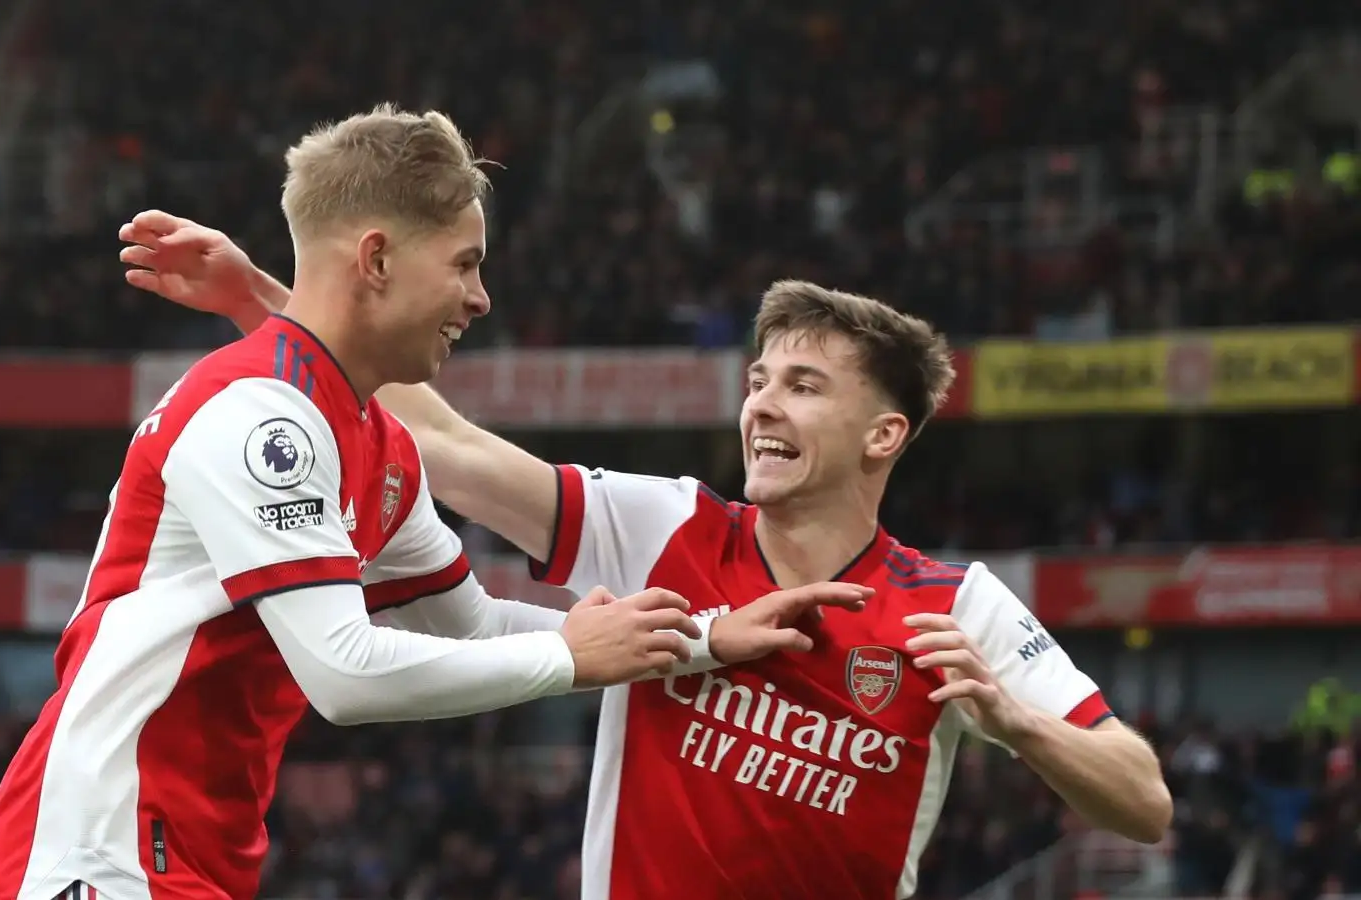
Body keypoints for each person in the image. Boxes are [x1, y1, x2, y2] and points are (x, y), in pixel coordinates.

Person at [0, 106, 870, 900]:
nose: (480, 299)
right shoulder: (256, 417)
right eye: (466, 265)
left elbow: (467, 626)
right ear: (376, 259)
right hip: (96, 848)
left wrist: (702, 637)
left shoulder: (380, 444)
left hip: (192, 850)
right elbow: (344, 673)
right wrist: (570, 658)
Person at [118, 234, 1174, 897]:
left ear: (883, 436)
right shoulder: (663, 529)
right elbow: (452, 447)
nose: (763, 404)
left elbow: (1145, 801)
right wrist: (276, 301)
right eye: (759, 380)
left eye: (804, 386)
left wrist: (1018, 722)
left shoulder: (959, 609)